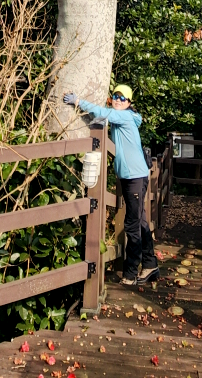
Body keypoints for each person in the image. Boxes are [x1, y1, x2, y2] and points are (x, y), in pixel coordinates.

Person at [63, 84, 159, 286]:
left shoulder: (124, 117)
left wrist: (78, 101)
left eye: (123, 98)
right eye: (115, 96)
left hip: (134, 176)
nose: (118, 100)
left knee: (132, 224)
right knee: (140, 221)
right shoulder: (120, 118)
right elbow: (103, 116)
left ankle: (131, 273)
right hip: (132, 175)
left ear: (129, 102)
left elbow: (102, 113)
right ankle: (150, 265)